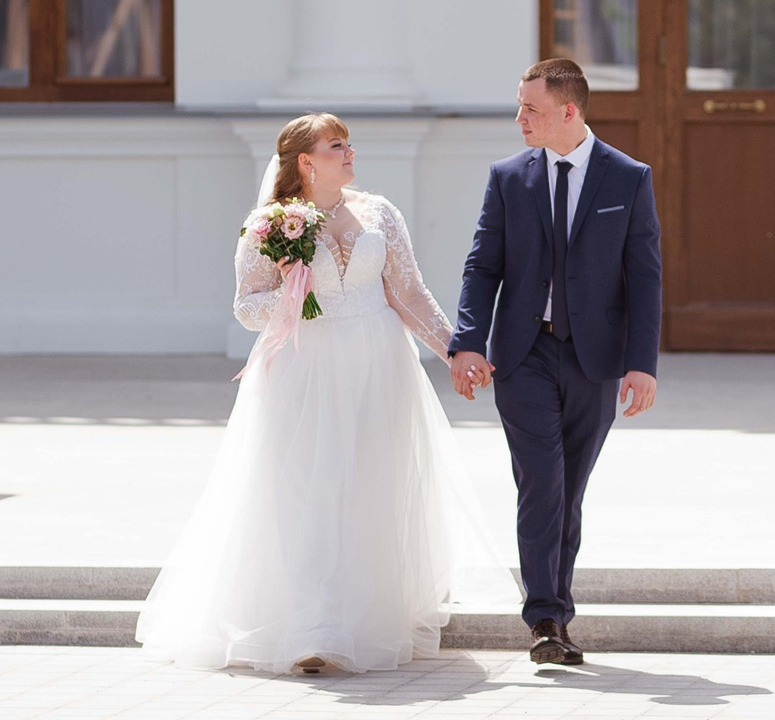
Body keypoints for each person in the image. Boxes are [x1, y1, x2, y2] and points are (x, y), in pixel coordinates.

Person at [136, 114, 503, 676]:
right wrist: (292, 288)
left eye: (348, 142)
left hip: (379, 364)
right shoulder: (269, 224)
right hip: (306, 369)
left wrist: (456, 350)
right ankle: (313, 629)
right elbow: (245, 307)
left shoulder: (380, 213)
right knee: (310, 489)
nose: (350, 151)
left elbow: (408, 292)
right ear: (306, 162)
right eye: (337, 145)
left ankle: (365, 620)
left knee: (370, 484)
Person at [449, 58, 664, 666]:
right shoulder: (507, 177)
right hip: (523, 355)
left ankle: (555, 611)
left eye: (531, 109)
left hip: (595, 361)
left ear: (568, 111)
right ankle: (546, 618)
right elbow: (481, 265)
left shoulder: (627, 177)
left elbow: (644, 278)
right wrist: (468, 342)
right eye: (519, 106)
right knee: (541, 482)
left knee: (568, 492)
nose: (520, 118)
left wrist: (641, 363)